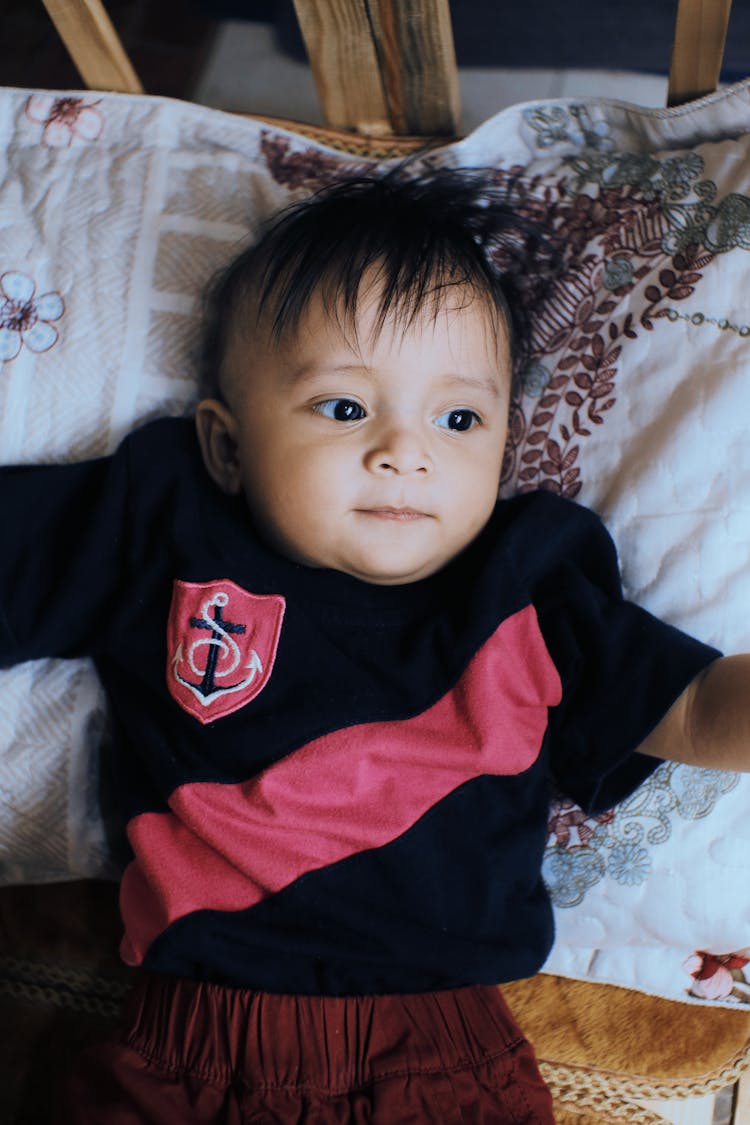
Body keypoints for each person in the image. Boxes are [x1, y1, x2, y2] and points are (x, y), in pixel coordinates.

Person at [1, 166, 748, 1124]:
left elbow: (690, 702)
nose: (408, 450)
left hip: (443, 1063)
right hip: (188, 1051)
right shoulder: (168, 522)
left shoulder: (524, 586)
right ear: (227, 447)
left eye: (459, 418)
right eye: (346, 408)